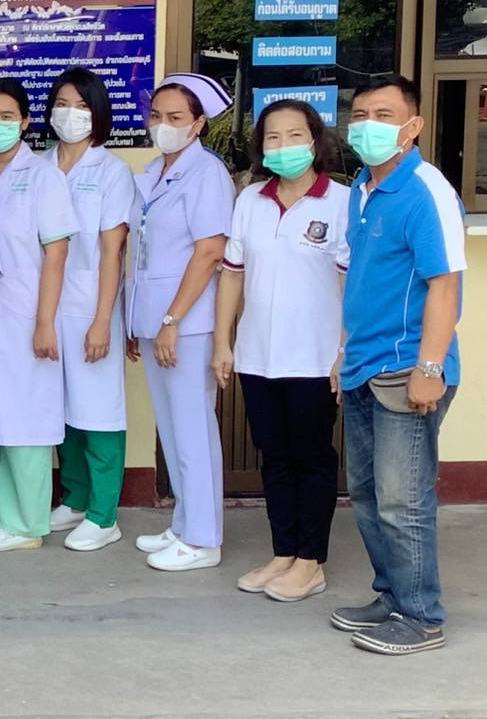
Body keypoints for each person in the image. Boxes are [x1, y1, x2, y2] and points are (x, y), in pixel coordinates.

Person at [332, 75, 464, 656]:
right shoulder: (362, 188)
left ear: (414, 126)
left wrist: (429, 369)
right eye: (361, 114)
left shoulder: (426, 190)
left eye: (384, 115)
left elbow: (445, 286)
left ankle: (421, 616)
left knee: (402, 499)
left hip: (408, 369)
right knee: (366, 494)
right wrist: (343, 354)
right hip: (364, 365)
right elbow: (362, 282)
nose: (368, 125)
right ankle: (391, 596)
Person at [211, 100, 349, 604]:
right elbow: (232, 275)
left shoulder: (341, 202)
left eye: (294, 135)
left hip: (314, 358)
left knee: (312, 459)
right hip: (258, 356)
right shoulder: (250, 199)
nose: (283, 146)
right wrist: (222, 341)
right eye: (273, 137)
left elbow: (353, 285)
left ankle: (311, 562)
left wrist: (345, 350)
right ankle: (284, 552)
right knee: (274, 457)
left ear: (314, 141)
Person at [0, 78, 77, 553]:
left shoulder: (43, 176)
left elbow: (57, 253)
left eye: (6, 117)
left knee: (23, 418)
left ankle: (25, 524)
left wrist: (45, 322)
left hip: (23, 314)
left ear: (25, 122)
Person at [127, 73, 235, 572]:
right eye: (156, 116)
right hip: (155, 320)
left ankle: (203, 539)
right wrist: (137, 320)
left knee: (193, 429)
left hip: (185, 324)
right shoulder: (154, 172)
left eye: (175, 117)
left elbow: (210, 250)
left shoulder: (206, 173)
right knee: (172, 430)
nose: (163, 125)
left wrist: (171, 319)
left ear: (198, 124)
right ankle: (185, 522)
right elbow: (144, 252)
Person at [41, 68, 138, 553]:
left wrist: (103, 321)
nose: (70, 114)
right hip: (43, 306)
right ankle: (75, 498)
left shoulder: (111, 171)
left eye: (81, 106)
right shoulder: (39, 165)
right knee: (60, 408)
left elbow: (112, 250)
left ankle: (104, 514)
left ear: (98, 113)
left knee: (98, 410)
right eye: (62, 104)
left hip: (89, 306)